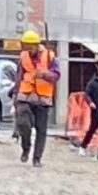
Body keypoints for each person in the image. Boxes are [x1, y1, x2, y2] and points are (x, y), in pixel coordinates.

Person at [12, 29, 58, 166]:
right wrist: (15, 93)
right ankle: (26, 148)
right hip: (25, 94)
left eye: (29, 46)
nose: (26, 48)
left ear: (36, 45)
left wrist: (45, 74)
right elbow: (19, 76)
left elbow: (57, 75)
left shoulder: (50, 57)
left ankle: (37, 158)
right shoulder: (23, 57)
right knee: (22, 122)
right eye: (25, 45)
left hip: (43, 97)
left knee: (41, 129)